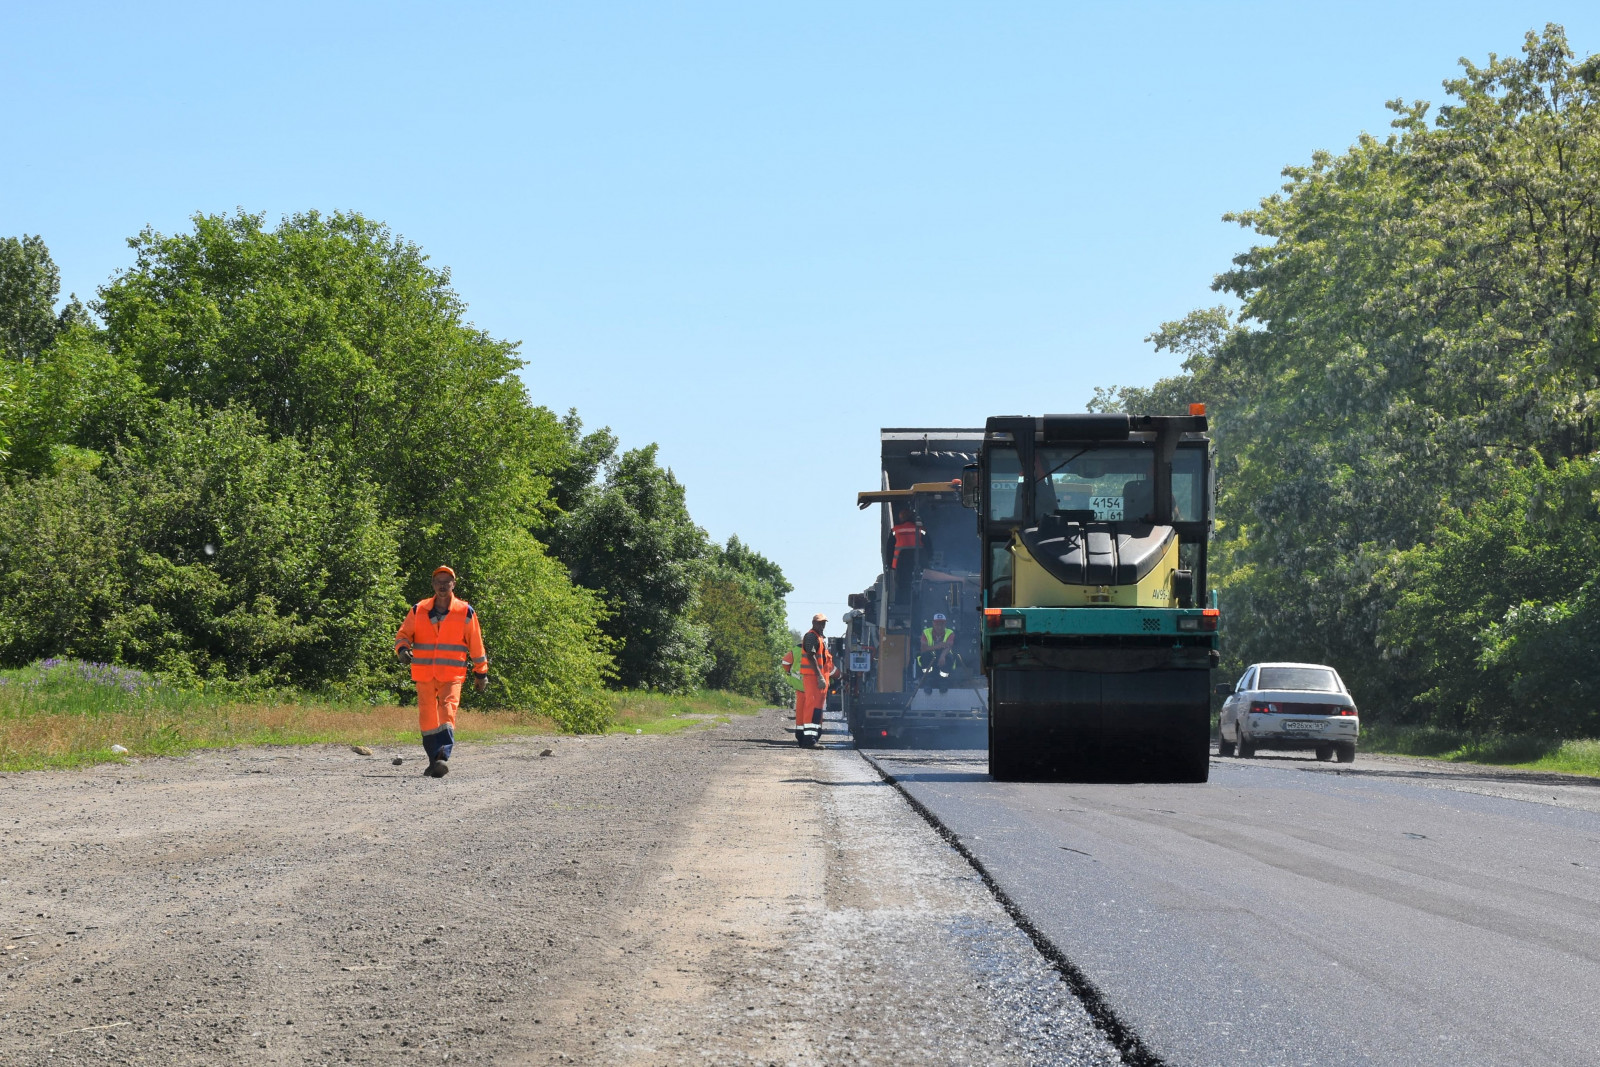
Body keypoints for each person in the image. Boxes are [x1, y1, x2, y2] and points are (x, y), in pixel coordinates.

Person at [395, 566, 488, 778]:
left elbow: (476, 645)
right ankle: (433, 760)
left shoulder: (465, 612)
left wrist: (481, 673)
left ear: (454, 584)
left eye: (447, 581)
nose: (443, 585)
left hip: (452, 674)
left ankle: (443, 756)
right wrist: (402, 650)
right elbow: (403, 635)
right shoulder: (419, 610)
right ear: (433, 584)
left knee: (448, 710)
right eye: (439, 581)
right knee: (427, 716)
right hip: (424, 673)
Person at [780, 614, 835, 733]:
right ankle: (809, 738)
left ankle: (805, 735)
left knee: (812, 708)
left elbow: (827, 665)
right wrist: (820, 676)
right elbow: (811, 656)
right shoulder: (812, 637)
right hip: (812, 680)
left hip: (812, 681)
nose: (822, 625)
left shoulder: (819, 639)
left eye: (824, 623)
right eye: (819, 623)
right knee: (812, 708)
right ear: (813, 623)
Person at [918, 613, 957, 690]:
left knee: (948, 657)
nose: (939, 626)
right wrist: (938, 646)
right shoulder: (926, 632)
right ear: (933, 623)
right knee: (925, 656)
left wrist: (942, 656)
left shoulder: (950, 632)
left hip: (943, 659)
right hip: (930, 658)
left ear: (945, 623)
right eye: (937, 623)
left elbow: (948, 646)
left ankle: (943, 682)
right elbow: (923, 648)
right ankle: (928, 681)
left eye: (941, 624)